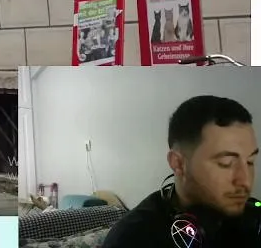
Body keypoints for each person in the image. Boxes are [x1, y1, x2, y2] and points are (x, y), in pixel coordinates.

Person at [101, 95, 259, 247]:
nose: (245, 180)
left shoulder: (251, 220)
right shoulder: (131, 238)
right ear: (178, 163)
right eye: (226, 163)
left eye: (250, 161)